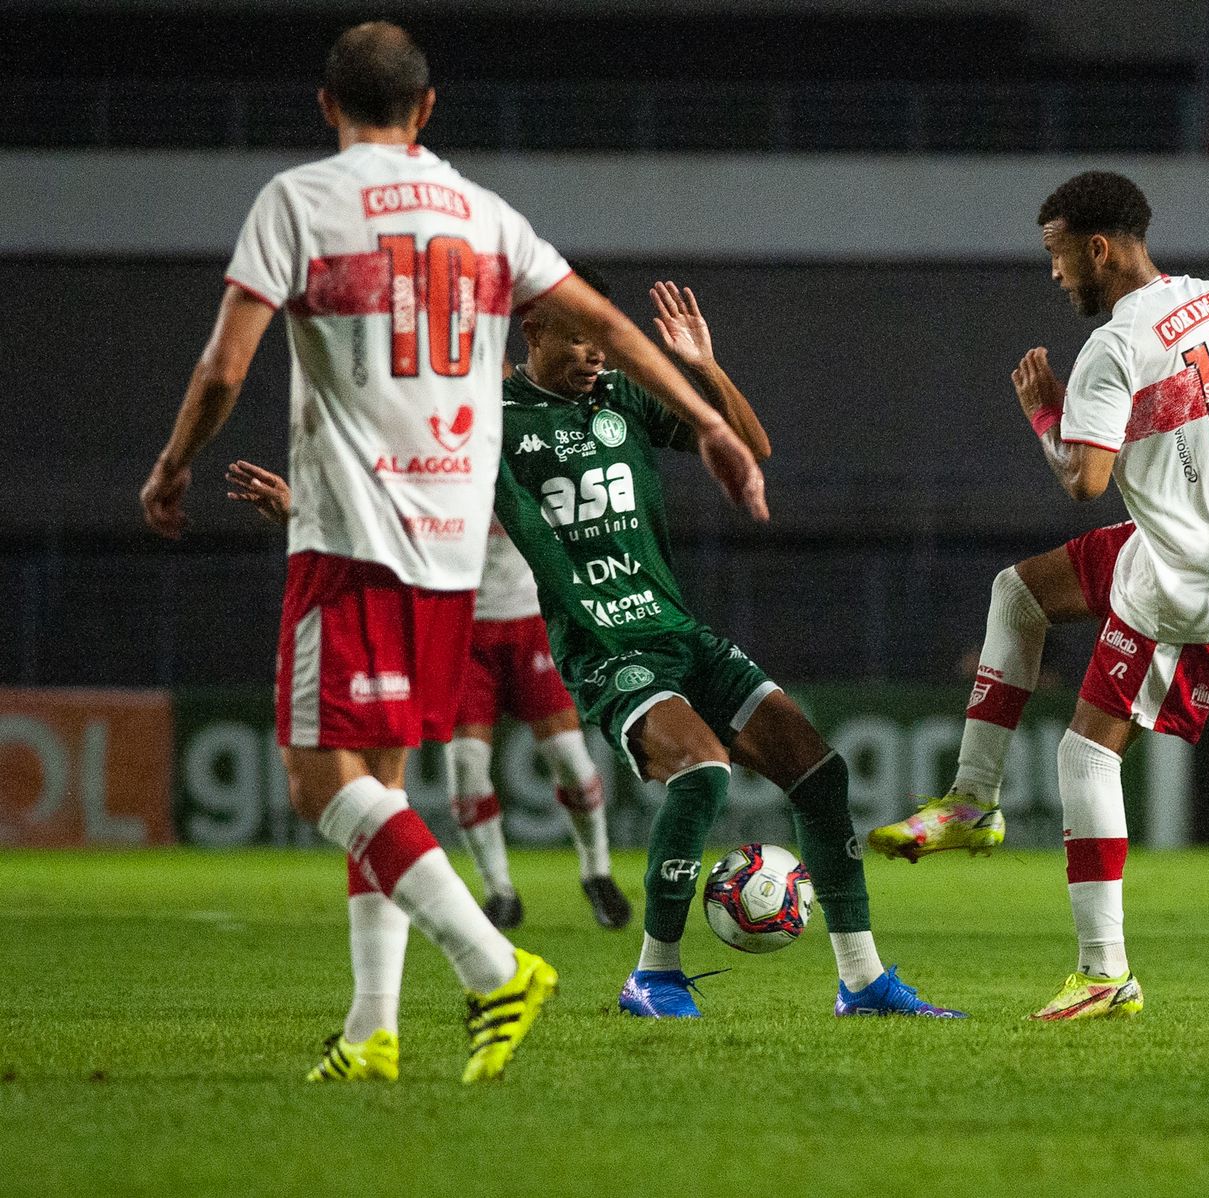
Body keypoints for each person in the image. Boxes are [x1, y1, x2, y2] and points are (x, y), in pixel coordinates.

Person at [139, 21, 766, 1083]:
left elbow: (221, 367)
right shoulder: (484, 214)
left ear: (326, 105)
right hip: (447, 563)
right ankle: (370, 1030)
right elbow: (607, 325)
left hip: (349, 537)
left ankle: (492, 964)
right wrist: (702, 419)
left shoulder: (298, 202)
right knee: (380, 779)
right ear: (427, 109)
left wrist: (171, 465)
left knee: (315, 779)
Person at [869, 171, 1209, 1021]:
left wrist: (1043, 414)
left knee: (1085, 756)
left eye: (1057, 255)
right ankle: (972, 801)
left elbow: (1083, 480)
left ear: (1098, 247)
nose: (1055, 274)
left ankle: (1106, 972)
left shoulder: (1113, 348)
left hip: (1181, 584)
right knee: (1016, 594)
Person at [494, 274, 963, 1018]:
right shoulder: (496, 422)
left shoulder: (623, 398)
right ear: (533, 332)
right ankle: (653, 976)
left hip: (676, 629)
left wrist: (704, 369)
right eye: (578, 337)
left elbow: (749, 443)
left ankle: (864, 982)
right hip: (605, 645)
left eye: (604, 339)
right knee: (703, 770)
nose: (594, 355)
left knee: (819, 772)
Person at [224, 459, 633, 929]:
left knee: (570, 757)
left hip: (531, 622)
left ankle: (597, 872)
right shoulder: (442, 446)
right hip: (465, 630)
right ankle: (499, 891)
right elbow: (383, 515)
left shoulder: (533, 436)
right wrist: (301, 511)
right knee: (465, 766)